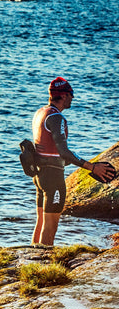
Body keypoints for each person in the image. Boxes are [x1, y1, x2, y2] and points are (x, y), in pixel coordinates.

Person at [31, 77, 114, 245]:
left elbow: (48, 149)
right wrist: (92, 167)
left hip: (40, 176)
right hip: (53, 178)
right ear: (63, 95)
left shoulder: (40, 113)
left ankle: (30, 261)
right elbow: (64, 152)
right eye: (71, 94)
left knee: (40, 222)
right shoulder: (57, 118)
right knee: (51, 226)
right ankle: (42, 265)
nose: (72, 98)